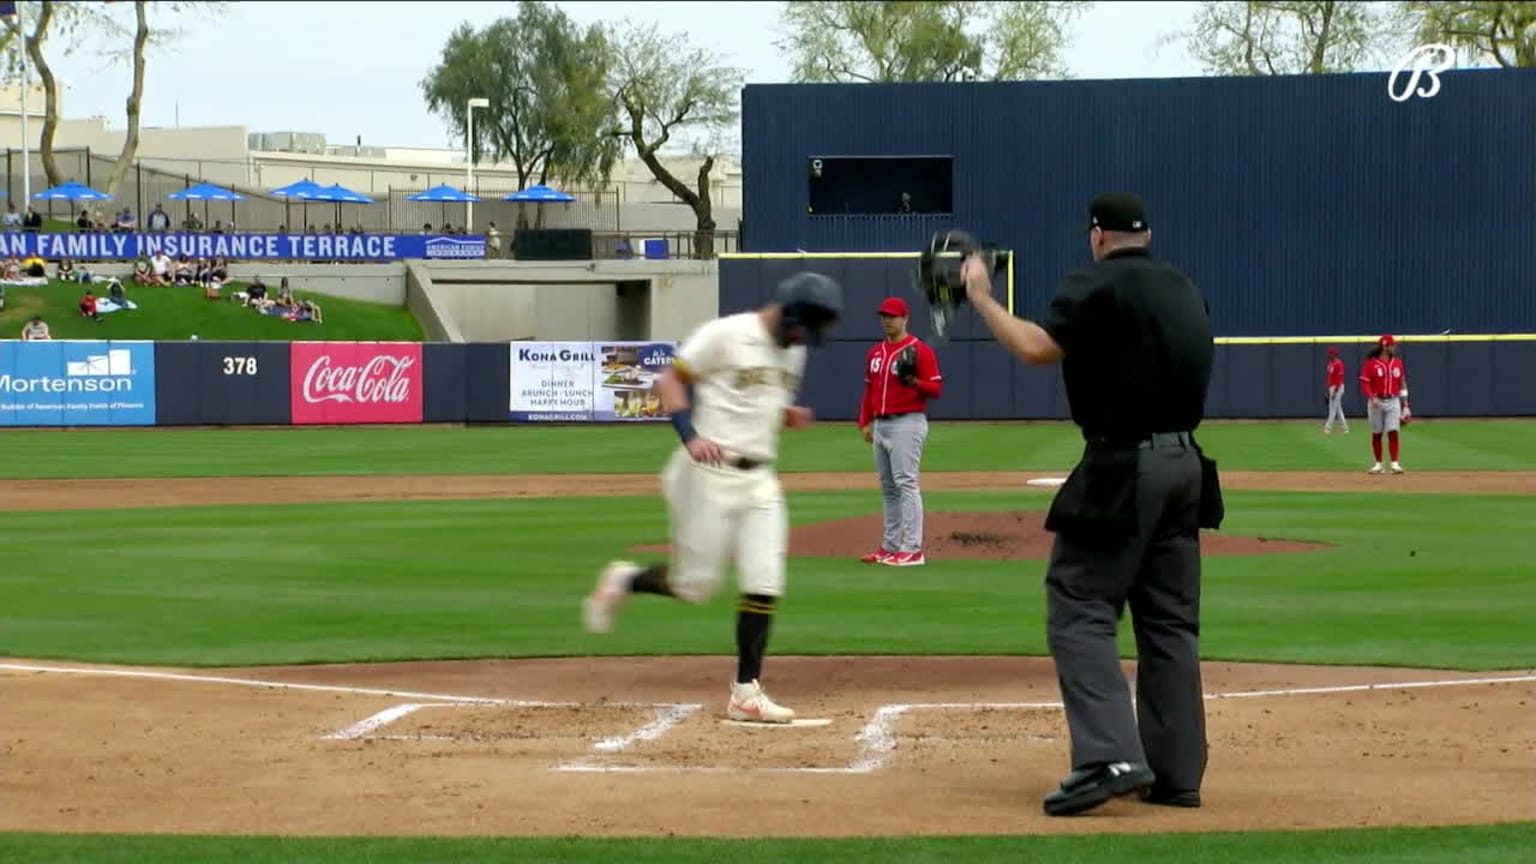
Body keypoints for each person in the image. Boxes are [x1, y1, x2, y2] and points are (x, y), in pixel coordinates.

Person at [960, 192, 1218, 817]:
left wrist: (980, 296)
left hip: (1127, 464)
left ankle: (1109, 755)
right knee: (1169, 623)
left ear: (1098, 235)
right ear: (1146, 234)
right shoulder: (1182, 285)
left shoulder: (1095, 283)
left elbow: (1035, 347)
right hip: (1188, 465)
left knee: (1078, 605)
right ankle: (1177, 771)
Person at [581, 272, 844, 724]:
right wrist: (690, 436)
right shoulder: (726, 334)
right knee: (693, 587)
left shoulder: (794, 352)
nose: (803, 338)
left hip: (760, 478)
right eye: (801, 328)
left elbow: (760, 404)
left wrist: (786, 415)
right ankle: (625, 580)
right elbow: (668, 381)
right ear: (787, 313)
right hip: (709, 474)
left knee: (765, 580)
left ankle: (746, 692)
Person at [856, 296, 943, 566]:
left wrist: (914, 382)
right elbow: (869, 391)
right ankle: (890, 546)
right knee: (888, 488)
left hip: (908, 422)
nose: (887, 320)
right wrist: (864, 421)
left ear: (905, 318)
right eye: (883, 316)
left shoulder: (919, 351)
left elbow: (936, 389)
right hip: (881, 424)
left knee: (906, 483)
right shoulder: (875, 353)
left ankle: (913, 548)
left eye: (892, 316)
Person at [1359, 335, 1407, 474]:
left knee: (1393, 432)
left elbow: (1402, 383)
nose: (1394, 347)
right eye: (1392, 345)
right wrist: (1371, 397)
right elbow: (1365, 382)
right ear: (1385, 346)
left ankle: (1395, 463)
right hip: (1377, 401)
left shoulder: (1397, 363)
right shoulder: (1371, 363)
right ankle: (1378, 464)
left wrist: (1406, 404)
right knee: (1377, 434)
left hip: (1393, 400)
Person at [1323, 346, 1349, 434]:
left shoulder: (1339, 363)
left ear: (1334, 354)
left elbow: (1340, 378)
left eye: (1330, 354)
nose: (1328, 355)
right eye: (1328, 353)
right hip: (1332, 387)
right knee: (1338, 408)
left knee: (1333, 408)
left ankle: (1328, 427)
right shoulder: (1330, 364)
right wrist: (1328, 390)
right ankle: (1345, 427)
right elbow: (1329, 377)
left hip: (1338, 387)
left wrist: (1336, 390)